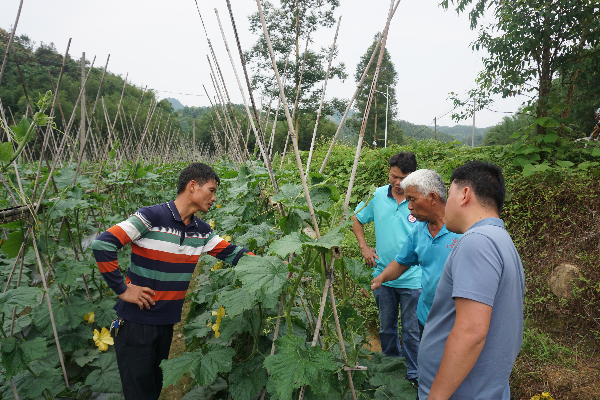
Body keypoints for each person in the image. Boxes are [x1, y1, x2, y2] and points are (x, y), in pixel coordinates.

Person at [91, 163, 252, 400]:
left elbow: (234, 254)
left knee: (153, 390)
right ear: (193, 186)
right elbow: (103, 244)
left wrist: (272, 266)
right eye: (211, 190)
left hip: (165, 325)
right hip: (136, 324)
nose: (214, 198)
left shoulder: (201, 231)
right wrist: (122, 289)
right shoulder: (151, 217)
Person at [418, 161, 525, 400]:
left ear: (465, 194)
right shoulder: (501, 240)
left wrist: (436, 396)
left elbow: (472, 331)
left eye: (451, 192)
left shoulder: (477, 241)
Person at [351, 152, 421, 384]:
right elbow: (356, 219)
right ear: (389, 172)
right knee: (386, 328)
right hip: (383, 277)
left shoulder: (419, 198)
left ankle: (413, 373)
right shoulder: (378, 196)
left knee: (412, 330)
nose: (398, 183)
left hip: (413, 279)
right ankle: (392, 367)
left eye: (404, 178)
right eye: (394, 176)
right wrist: (364, 247)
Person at [371, 169, 462, 343]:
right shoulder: (419, 230)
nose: (409, 206)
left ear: (433, 198)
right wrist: (381, 278)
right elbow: (401, 262)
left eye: (412, 199)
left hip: (454, 322)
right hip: (426, 317)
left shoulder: (461, 230)